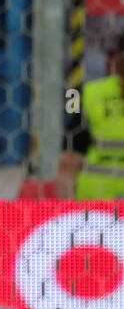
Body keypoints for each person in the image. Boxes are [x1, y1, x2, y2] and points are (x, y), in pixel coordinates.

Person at [59, 31, 124, 199]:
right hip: (98, 207)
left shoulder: (90, 94)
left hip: (96, 208)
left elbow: (68, 161)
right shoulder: (86, 95)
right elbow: (68, 160)